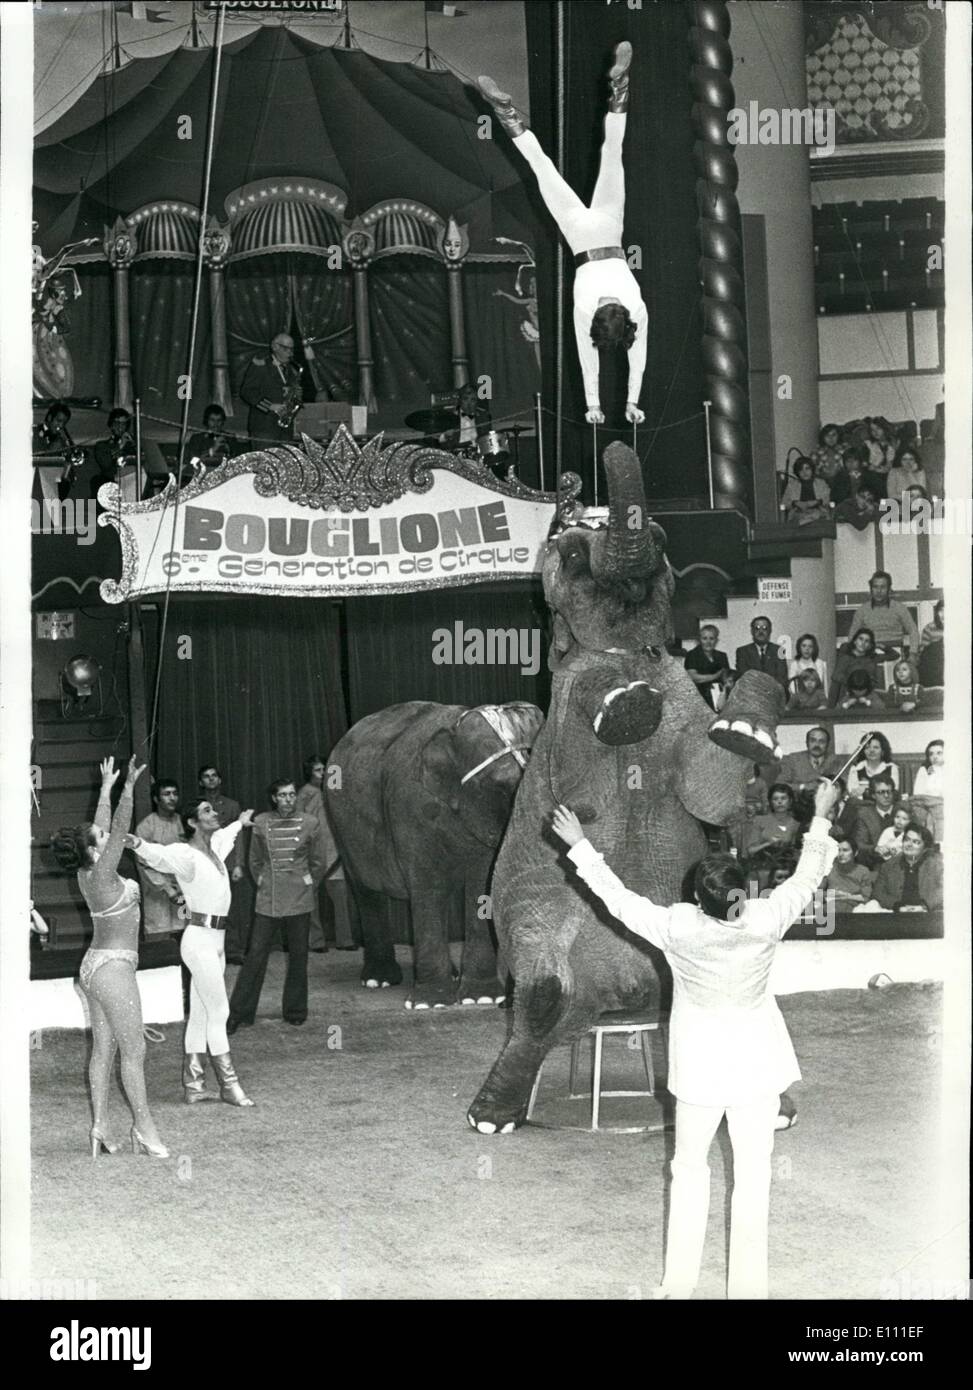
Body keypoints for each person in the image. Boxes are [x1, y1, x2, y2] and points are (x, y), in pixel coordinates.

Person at [551, 780, 840, 1299]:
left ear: (697, 900)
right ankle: (748, 1292)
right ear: (743, 892)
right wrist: (820, 814)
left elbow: (615, 898)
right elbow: (808, 873)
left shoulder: (675, 926)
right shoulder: (768, 918)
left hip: (702, 1073)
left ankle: (677, 1287)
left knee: (688, 1171)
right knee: (754, 1179)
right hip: (757, 1071)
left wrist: (578, 843)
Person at [477, 43, 647, 426]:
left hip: (609, 227)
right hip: (578, 237)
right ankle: (505, 113)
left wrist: (632, 400)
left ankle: (620, 87)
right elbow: (588, 360)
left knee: (612, 151)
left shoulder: (635, 307)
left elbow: (640, 358)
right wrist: (594, 405)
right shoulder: (586, 307)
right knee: (542, 168)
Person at [51, 756, 168, 1159]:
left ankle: (100, 1127)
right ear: (93, 851)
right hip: (113, 970)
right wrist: (130, 787)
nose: (107, 837)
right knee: (134, 1052)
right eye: (99, 838)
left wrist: (105, 787)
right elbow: (118, 827)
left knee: (105, 1050)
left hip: (94, 967)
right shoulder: (101, 874)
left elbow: (103, 829)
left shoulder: (90, 871)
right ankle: (144, 1127)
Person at [129, 798, 256, 1106]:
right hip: (198, 942)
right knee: (220, 1012)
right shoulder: (186, 856)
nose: (214, 814)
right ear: (192, 823)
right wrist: (135, 843)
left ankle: (194, 1085)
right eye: (207, 811)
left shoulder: (214, 851)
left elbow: (226, 836)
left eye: (214, 810)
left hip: (215, 942)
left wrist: (240, 822)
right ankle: (229, 1085)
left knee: (200, 1015)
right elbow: (158, 856)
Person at [228, 779, 326, 1032]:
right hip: (269, 899)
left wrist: (306, 885)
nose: (289, 800)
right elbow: (255, 861)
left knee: (298, 956)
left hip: (299, 899)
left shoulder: (310, 823)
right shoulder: (261, 822)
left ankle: (295, 1011)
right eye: (283, 795)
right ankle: (240, 1013)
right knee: (255, 955)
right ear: (274, 798)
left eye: (292, 795)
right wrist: (264, 882)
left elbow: (318, 862)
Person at [197, 765, 247, 963]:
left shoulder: (232, 806)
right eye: (206, 777)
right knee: (208, 911)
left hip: (227, 865)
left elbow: (238, 837)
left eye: (214, 776)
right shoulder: (196, 806)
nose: (211, 780)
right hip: (205, 864)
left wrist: (238, 864)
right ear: (201, 782)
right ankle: (211, 951)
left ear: (220, 780)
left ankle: (233, 951)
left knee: (231, 910)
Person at [295, 754, 332, 953]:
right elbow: (300, 820)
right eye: (318, 770)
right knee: (311, 894)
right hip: (313, 849)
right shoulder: (305, 793)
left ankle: (345, 939)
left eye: (325, 769)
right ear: (309, 773)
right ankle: (315, 941)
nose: (323, 773)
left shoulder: (330, 790)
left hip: (332, 848)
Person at [239, 333, 303, 445]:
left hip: (285, 429)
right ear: (274, 347)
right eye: (286, 349)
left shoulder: (292, 370)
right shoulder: (261, 365)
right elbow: (247, 392)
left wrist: (296, 396)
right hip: (264, 427)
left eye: (292, 349)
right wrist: (271, 406)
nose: (290, 353)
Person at [867, 824, 943, 912]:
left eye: (916, 842)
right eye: (907, 840)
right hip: (897, 915)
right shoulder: (889, 866)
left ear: (925, 848)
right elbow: (877, 893)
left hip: (926, 914)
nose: (909, 844)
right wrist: (897, 906)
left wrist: (924, 906)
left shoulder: (936, 865)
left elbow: (945, 890)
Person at [848, 571, 919, 660]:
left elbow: (913, 631)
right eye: (875, 587)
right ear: (871, 589)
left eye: (883, 587)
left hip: (895, 652)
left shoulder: (900, 608)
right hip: (869, 654)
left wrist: (913, 653)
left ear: (889, 589)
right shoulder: (862, 610)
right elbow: (852, 636)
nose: (879, 591)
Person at [853, 777, 902, 870]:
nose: (886, 795)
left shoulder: (903, 810)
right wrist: (875, 849)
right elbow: (859, 844)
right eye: (881, 792)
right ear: (873, 795)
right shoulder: (864, 814)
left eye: (889, 791)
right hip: (875, 865)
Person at [829, 627, 881, 707]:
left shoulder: (870, 661)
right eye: (860, 639)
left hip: (866, 698)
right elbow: (836, 678)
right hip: (846, 698)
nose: (863, 643)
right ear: (855, 641)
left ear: (870, 645)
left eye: (867, 641)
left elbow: (874, 681)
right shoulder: (845, 658)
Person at [683, 625, 731, 711]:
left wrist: (723, 695)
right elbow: (693, 677)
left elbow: (727, 678)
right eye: (704, 638)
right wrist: (715, 676)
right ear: (699, 640)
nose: (708, 642)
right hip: (699, 697)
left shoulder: (722, 656)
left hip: (720, 696)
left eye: (711, 638)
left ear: (716, 640)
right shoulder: (692, 655)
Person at [735, 616, 789, 691]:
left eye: (764, 628)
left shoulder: (779, 650)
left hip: (773, 694)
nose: (761, 631)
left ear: (770, 631)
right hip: (751, 695)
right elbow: (744, 677)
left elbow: (782, 678)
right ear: (752, 631)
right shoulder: (742, 652)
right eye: (757, 628)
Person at [779, 728, 840, 793]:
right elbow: (779, 785)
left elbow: (842, 786)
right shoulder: (793, 759)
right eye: (813, 741)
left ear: (828, 744)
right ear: (807, 743)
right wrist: (803, 787)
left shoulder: (835, 761)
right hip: (798, 801)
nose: (817, 745)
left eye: (821, 741)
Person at [823, 837, 874, 909]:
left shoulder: (863, 871)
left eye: (845, 850)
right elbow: (817, 893)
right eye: (838, 850)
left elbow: (866, 898)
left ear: (855, 853)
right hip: (830, 908)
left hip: (853, 910)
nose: (840, 854)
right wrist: (833, 894)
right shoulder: (829, 868)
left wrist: (846, 896)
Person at [910, 739, 944, 845]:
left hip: (941, 802)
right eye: (931, 754)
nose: (935, 756)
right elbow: (918, 791)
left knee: (939, 816)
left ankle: (939, 843)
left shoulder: (951, 769)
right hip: (924, 800)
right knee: (920, 816)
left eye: (939, 753)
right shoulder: (927, 769)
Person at [846, 732, 899, 800]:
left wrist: (864, 790)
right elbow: (853, 794)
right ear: (863, 751)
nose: (871, 751)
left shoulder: (891, 768)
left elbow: (893, 793)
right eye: (867, 747)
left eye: (876, 747)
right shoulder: (856, 769)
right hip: (861, 806)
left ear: (883, 751)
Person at [186, 404, 238, 473]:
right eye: (212, 420)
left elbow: (237, 461)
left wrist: (229, 451)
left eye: (219, 420)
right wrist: (212, 450)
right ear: (206, 420)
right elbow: (193, 461)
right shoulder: (197, 438)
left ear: (223, 421)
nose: (216, 424)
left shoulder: (230, 438)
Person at [780, 457, 830, 525]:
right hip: (798, 513)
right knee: (800, 517)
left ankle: (808, 520)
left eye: (807, 468)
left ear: (812, 469)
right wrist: (795, 503)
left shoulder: (821, 483)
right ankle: (807, 520)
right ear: (797, 472)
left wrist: (817, 502)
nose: (804, 472)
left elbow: (827, 499)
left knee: (817, 515)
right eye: (801, 470)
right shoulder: (792, 485)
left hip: (818, 512)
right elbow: (784, 503)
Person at [861, 417, 897, 498]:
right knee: (872, 477)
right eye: (872, 430)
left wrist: (886, 468)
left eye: (878, 428)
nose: (875, 432)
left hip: (888, 473)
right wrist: (875, 467)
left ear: (884, 429)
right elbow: (865, 463)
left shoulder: (892, 444)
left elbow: (892, 463)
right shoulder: (868, 444)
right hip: (872, 473)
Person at [917, 599, 944, 687]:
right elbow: (923, 655)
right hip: (935, 670)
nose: (944, 615)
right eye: (941, 611)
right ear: (937, 612)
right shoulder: (929, 628)